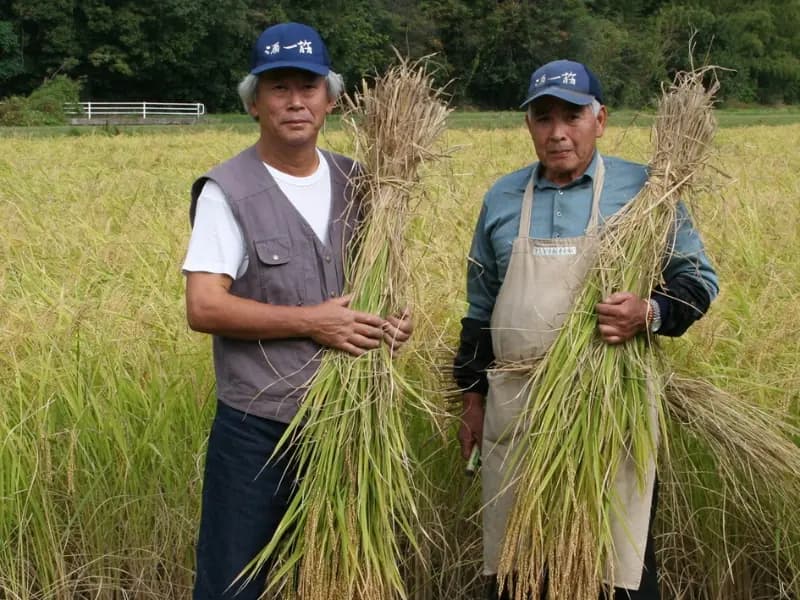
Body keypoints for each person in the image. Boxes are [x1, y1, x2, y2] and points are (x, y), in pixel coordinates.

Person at [453, 59, 719, 599]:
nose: (557, 133)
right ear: (528, 125)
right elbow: (480, 309)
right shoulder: (502, 199)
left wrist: (649, 312)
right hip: (518, 410)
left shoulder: (647, 189)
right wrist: (473, 399)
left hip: (609, 405)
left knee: (613, 572)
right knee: (520, 572)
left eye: (571, 116)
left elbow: (698, 280)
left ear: (600, 119)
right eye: (542, 117)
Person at [182, 22, 412, 600]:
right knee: (235, 584)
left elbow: (377, 291)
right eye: (277, 87)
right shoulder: (227, 190)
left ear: (330, 100)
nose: (294, 101)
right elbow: (203, 306)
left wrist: (393, 323)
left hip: (351, 422)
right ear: (253, 103)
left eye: (307, 87)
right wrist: (312, 322)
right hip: (258, 427)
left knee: (341, 576)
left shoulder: (362, 181)